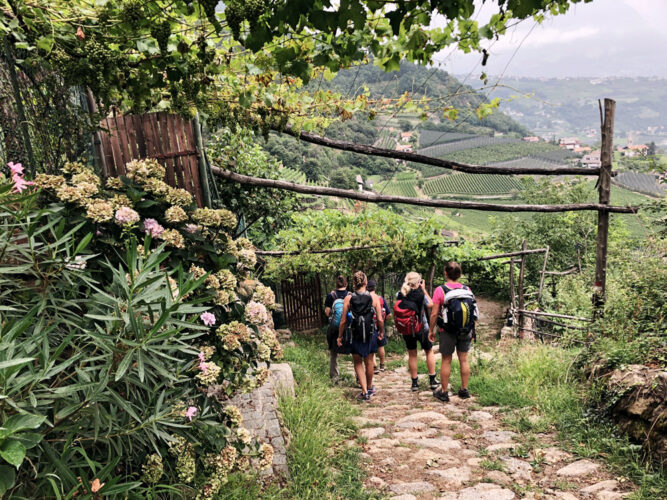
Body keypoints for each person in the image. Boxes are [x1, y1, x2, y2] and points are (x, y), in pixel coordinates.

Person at [429, 261, 478, 403]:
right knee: (464, 359)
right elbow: (473, 311)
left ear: (445, 273)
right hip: (465, 329)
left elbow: (434, 313)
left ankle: (444, 392)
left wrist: (431, 330)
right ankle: (464, 389)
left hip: (447, 330)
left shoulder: (441, 290)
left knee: (446, 359)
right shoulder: (467, 289)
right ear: (460, 275)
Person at [338, 271, 385, 401]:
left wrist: (340, 336)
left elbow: (343, 321)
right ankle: (369, 387)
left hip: (354, 334)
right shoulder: (373, 298)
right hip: (370, 333)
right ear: (365, 282)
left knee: (358, 362)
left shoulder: (348, 298)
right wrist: (381, 332)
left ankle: (364, 392)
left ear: (353, 283)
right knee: (369, 361)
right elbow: (380, 319)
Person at [394, 272, 439, 392]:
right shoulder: (420, 294)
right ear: (418, 282)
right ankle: (432, 380)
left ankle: (414, 383)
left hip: (407, 328)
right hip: (421, 327)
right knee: (429, 351)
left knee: (412, 354)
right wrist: (423, 290)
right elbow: (430, 304)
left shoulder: (400, 294)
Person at [324, 275, 350, 383]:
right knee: (354, 351)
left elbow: (327, 312)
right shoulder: (350, 295)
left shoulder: (331, 295)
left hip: (335, 327)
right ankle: (359, 377)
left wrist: (334, 317)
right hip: (348, 327)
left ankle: (334, 377)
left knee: (333, 352)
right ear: (346, 284)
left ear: (336, 284)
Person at [367, 279, 390, 374]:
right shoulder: (380, 299)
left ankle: (375, 366)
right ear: (375, 288)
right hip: (379, 324)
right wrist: (383, 321)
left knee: (371, 347)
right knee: (381, 345)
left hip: (369, 326)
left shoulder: (365, 298)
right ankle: (382, 365)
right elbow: (389, 314)